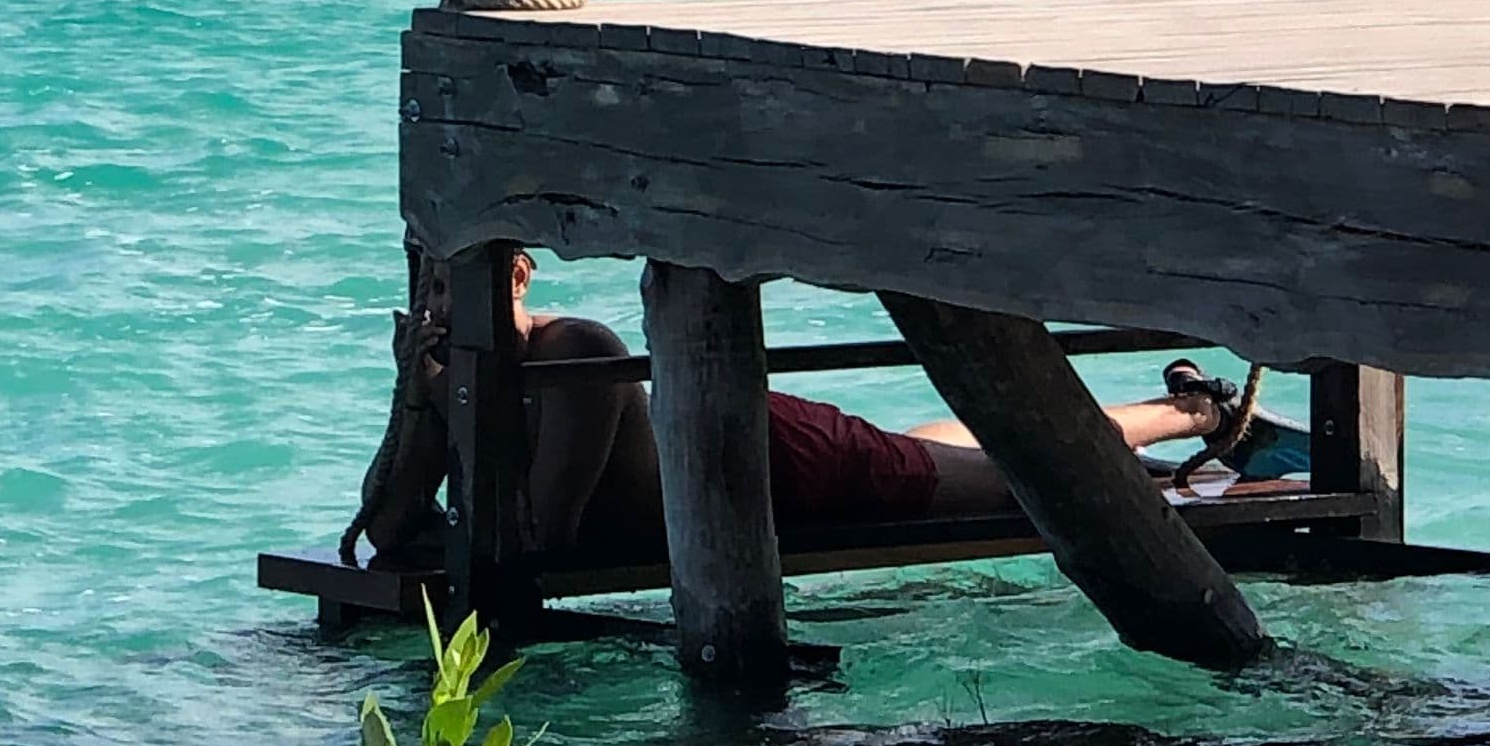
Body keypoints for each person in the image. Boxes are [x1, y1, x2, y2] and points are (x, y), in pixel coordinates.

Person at [507, 253, 1265, 564]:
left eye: (448, 290)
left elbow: (547, 538)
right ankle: (1169, 406)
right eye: (427, 294)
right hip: (751, 435)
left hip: (779, 465)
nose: (436, 315)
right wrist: (420, 397)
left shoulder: (576, 349)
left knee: (1023, 471)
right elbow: (394, 518)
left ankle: (1193, 412)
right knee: (926, 453)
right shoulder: (469, 365)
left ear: (518, 275)